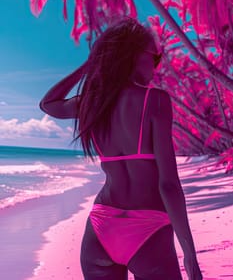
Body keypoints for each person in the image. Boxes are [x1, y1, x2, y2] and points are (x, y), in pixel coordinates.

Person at [39, 17, 203, 280]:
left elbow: (49, 104)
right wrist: (190, 255)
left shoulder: (93, 104)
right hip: (148, 229)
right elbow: (169, 185)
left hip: (101, 228)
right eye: (155, 57)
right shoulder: (155, 100)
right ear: (134, 56)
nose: (156, 66)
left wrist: (88, 66)